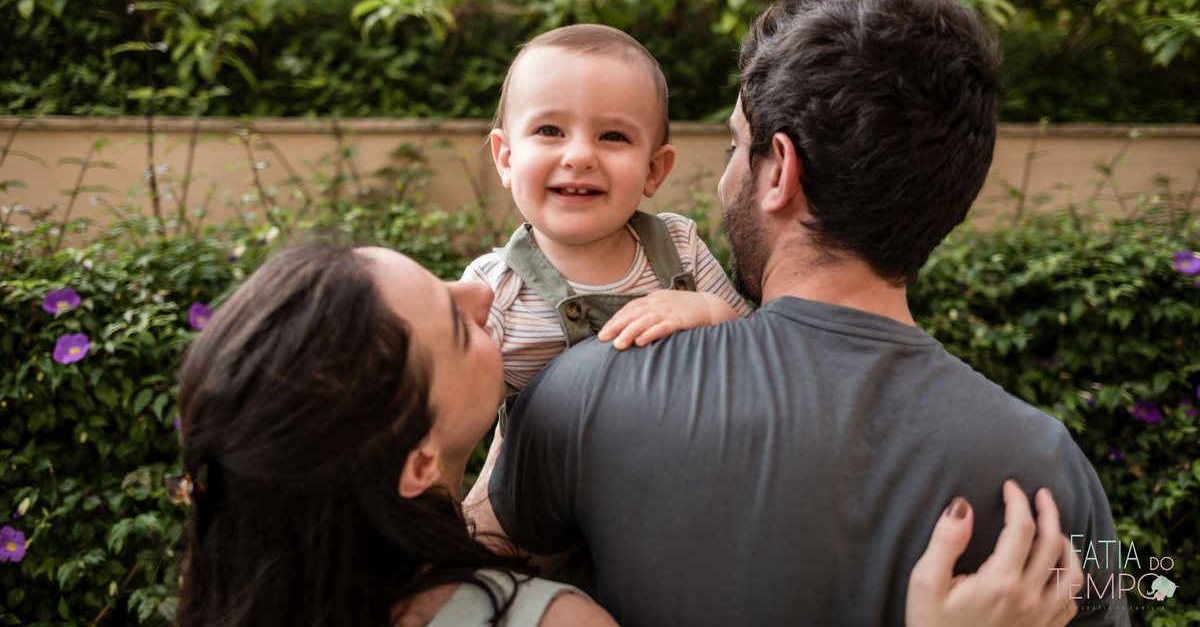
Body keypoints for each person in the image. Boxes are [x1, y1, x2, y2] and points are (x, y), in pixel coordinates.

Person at [473, 0, 1130, 626]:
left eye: (736, 145)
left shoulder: (587, 387)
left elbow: (445, 594)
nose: (727, 174)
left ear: (779, 171)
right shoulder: (1051, 466)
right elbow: (1125, 590)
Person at [171, 242, 1082, 627]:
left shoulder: (578, 402)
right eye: (454, 324)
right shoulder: (1044, 458)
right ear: (414, 463)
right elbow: (1137, 582)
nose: (482, 288)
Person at [462, 24, 752, 395]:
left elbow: (752, 352)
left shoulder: (680, 250)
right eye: (550, 130)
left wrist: (711, 313)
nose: (580, 156)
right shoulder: (493, 291)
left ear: (653, 170)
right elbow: (448, 412)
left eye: (613, 136)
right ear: (506, 158)